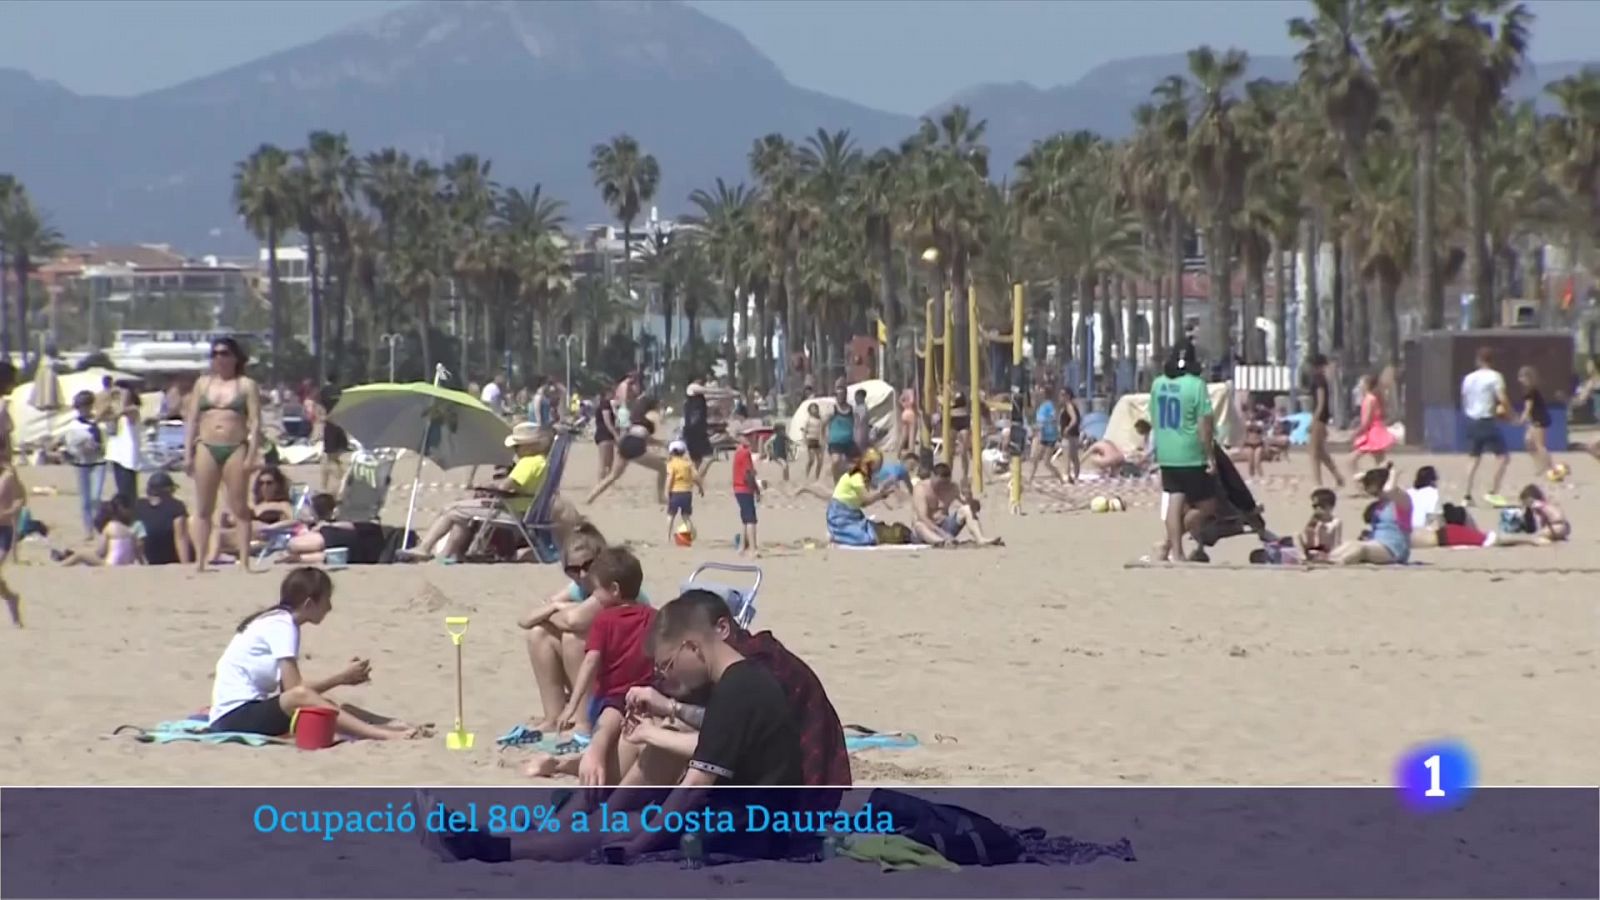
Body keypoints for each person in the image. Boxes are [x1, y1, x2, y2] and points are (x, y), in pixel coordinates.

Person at [422, 590, 807, 865]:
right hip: (748, 817)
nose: (668, 676)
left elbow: (695, 785)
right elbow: (718, 738)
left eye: (668, 665)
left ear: (693, 646)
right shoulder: (744, 680)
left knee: (616, 829)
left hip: (748, 829)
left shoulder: (737, 689)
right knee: (622, 816)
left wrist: (641, 842)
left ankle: (493, 850)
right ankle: (501, 842)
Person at [207, 567, 424, 739]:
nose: (329, 607)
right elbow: (296, 692)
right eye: (326, 600)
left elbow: (289, 690)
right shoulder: (282, 625)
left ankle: (388, 723)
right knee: (309, 699)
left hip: (240, 713)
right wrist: (341, 677)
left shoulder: (277, 620)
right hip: (233, 718)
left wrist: (341, 680)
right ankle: (381, 734)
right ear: (310, 604)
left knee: (325, 702)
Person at [522, 547, 655, 784]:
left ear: (613, 590)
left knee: (605, 741)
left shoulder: (604, 620)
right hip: (642, 701)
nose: (593, 596)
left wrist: (572, 705)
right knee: (618, 755)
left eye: (596, 591)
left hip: (608, 700)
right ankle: (565, 764)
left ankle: (560, 764)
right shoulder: (653, 616)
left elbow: (591, 663)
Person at [406, 423, 552, 561]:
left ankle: (425, 548)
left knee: (452, 510)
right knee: (461, 512)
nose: (515, 450)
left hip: (513, 511)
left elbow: (505, 487)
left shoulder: (528, 463)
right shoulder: (542, 462)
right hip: (525, 508)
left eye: (517, 446)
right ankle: (448, 553)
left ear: (530, 447)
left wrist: (487, 485)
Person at [184, 336, 262, 571]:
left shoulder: (246, 385)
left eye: (225, 353)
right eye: (215, 354)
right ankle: (200, 560)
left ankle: (245, 561)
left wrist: (252, 455)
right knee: (204, 507)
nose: (219, 358)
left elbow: (256, 422)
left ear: (235, 357)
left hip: (235, 446)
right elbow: (192, 419)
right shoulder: (203, 384)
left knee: (239, 506)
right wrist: (187, 452)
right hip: (206, 445)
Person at [1150, 343, 1215, 562]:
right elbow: (1204, 424)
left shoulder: (1158, 384)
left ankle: (1175, 552)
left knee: (1174, 501)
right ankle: (1170, 544)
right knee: (1207, 504)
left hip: (1166, 453)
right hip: (1190, 453)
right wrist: (1210, 455)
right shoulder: (1196, 385)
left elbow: (1154, 417)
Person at [585, 397, 669, 505]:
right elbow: (648, 435)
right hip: (636, 446)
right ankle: (661, 498)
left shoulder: (637, 418)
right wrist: (662, 417)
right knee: (662, 468)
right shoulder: (652, 416)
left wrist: (661, 443)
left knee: (613, 476)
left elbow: (643, 436)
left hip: (625, 443)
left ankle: (590, 497)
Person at [1327, 466, 1411, 565]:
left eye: (1377, 492)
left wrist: (1393, 473)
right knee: (1350, 544)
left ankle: (1340, 561)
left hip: (1394, 548)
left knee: (1361, 548)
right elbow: (1358, 481)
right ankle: (1327, 558)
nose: (1376, 495)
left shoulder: (1402, 501)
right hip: (1377, 544)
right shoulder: (1381, 504)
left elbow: (1389, 490)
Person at [1461, 346, 1511, 505]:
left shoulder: (1468, 378)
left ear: (1478, 360)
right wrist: (1511, 414)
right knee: (1503, 457)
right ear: (1492, 360)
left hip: (1471, 419)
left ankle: (1466, 496)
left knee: (1473, 458)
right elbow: (1502, 398)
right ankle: (1493, 492)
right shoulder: (1495, 377)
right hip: (1487, 419)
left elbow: (1464, 399)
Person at [283, 493, 390, 564]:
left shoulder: (332, 528)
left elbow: (294, 544)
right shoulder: (363, 520)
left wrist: (326, 525)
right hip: (366, 551)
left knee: (294, 545)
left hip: (364, 543)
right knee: (334, 553)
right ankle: (299, 558)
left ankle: (299, 557)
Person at [910, 462, 1001, 546]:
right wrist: (943, 534)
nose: (942, 487)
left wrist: (969, 497)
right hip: (925, 531)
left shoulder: (952, 487)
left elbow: (975, 508)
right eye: (940, 483)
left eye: (945, 483)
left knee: (966, 509)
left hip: (945, 526)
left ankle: (980, 538)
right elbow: (923, 517)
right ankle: (941, 542)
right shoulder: (921, 489)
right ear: (932, 476)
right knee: (919, 525)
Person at [64, 390, 107, 540]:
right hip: (82, 463)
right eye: (82, 406)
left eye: (87, 405)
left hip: (99, 461)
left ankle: (99, 526)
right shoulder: (73, 425)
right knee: (85, 499)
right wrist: (81, 448)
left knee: (96, 496)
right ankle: (88, 529)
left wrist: (98, 446)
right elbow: (70, 446)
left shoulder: (98, 423)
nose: (85, 409)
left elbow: (104, 441)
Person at [825, 448, 891, 546]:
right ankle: (835, 535)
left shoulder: (862, 476)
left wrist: (881, 495)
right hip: (840, 514)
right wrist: (880, 494)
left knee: (873, 533)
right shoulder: (856, 476)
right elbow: (866, 499)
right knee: (866, 538)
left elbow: (863, 504)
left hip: (852, 513)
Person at [53, 497, 140, 566]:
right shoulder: (130, 530)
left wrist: (84, 554)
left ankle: (61, 566)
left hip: (111, 565)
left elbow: (100, 552)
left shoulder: (110, 527)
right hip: (127, 565)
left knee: (80, 555)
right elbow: (136, 552)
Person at [134, 472, 192, 566]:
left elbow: (137, 536)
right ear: (169, 490)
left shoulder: (140, 506)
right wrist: (185, 564)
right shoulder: (176, 506)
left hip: (147, 558)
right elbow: (181, 537)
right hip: (172, 558)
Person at [1347, 373, 1396, 478]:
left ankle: (1361, 480)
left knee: (1352, 460)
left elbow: (1366, 422)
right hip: (1375, 431)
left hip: (1373, 433)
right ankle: (1387, 477)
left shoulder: (1369, 399)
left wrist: (1356, 433)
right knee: (1380, 461)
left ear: (1367, 385)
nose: (1359, 386)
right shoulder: (1372, 398)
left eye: (1361, 383)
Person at [1307, 355, 1344, 489]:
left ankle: (1318, 482)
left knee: (1313, 452)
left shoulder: (1319, 380)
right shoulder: (1322, 380)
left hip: (1320, 417)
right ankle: (1338, 476)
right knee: (1320, 451)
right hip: (1322, 416)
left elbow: (1321, 402)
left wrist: (1314, 419)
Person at [1516, 366, 1557, 479]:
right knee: (1528, 442)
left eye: (1522, 377)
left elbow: (1528, 409)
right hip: (1534, 420)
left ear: (1527, 378)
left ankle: (1552, 468)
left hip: (1539, 420)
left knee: (1540, 445)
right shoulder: (1528, 391)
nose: (1520, 379)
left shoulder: (1531, 392)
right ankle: (1540, 465)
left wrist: (1521, 420)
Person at [0, 432, 24, 625]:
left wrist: (9, 512)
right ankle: (10, 598)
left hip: (3, 530)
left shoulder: (9, 474)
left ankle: (11, 598)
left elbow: (20, 498)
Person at [104, 385, 142, 505]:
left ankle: (132, 515)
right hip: (116, 455)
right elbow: (99, 417)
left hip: (128, 457)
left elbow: (123, 411)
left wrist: (123, 395)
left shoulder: (133, 410)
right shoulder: (114, 410)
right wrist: (109, 398)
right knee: (122, 490)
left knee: (128, 492)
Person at [732, 431, 761, 556]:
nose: (751, 439)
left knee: (745, 519)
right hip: (744, 489)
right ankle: (753, 549)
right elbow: (748, 474)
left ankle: (742, 547)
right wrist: (756, 489)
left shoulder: (738, 452)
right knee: (751, 520)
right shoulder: (744, 453)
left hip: (738, 489)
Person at [1029, 385, 1066, 484]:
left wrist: (1044, 424)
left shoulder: (1049, 405)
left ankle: (1060, 478)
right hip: (1043, 435)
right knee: (1036, 459)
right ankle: (1030, 478)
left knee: (1046, 462)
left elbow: (1054, 419)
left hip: (1049, 436)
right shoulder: (1042, 406)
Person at [664, 440, 699, 544]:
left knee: (671, 515)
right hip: (687, 492)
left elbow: (670, 478)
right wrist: (700, 487)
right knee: (686, 516)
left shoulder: (671, 464)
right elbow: (696, 476)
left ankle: (668, 537)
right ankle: (691, 532)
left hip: (675, 492)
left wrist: (666, 491)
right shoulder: (688, 464)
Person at [317, 386, 350, 493]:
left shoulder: (324, 391)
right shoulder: (339, 391)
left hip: (330, 424)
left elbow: (319, 409)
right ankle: (342, 480)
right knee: (334, 458)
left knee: (329, 458)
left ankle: (326, 486)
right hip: (338, 423)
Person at [1298, 488, 1342, 562]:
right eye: (1314, 506)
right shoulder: (1314, 521)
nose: (1317, 509)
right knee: (1296, 536)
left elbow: (1337, 543)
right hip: (1313, 550)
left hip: (1327, 552)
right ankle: (1304, 558)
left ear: (1331, 507)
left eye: (1321, 506)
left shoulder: (1336, 522)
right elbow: (1308, 539)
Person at [683, 376, 715, 478]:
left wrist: (727, 395)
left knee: (697, 460)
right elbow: (710, 391)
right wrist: (727, 392)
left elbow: (712, 396)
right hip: (695, 430)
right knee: (709, 456)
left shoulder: (698, 396)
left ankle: (691, 481)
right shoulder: (692, 387)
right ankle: (698, 479)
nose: (702, 382)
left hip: (695, 429)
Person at [824, 385, 856, 479]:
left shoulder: (851, 409)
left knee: (847, 464)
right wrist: (824, 437)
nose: (841, 397)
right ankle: (835, 480)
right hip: (835, 441)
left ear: (846, 395)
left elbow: (854, 423)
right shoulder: (832, 409)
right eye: (838, 395)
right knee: (836, 461)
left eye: (842, 394)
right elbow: (823, 423)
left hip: (848, 441)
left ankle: (843, 482)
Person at [593, 388, 618, 483]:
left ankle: (606, 482)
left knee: (609, 462)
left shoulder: (605, 404)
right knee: (604, 462)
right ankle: (601, 482)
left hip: (605, 435)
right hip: (604, 434)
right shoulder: (605, 404)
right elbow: (607, 422)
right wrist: (616, 435)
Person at [1406, 465, 1442, 531]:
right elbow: (1434, 517)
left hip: (1406, 531)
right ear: (1432, 480)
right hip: (1423, 532)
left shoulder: (1408, 492)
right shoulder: (1432, 493)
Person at [1060, 387, 1083, 484]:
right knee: (1074, 457)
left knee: (1067, 456)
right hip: (1074, 434)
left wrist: (1067, 428)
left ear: (1068, 396)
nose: (1061, 397)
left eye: (1063, 395)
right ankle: (1075, 476)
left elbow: (1074, 419)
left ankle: (1067, 475)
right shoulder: (1072, 405)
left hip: (1069, 435)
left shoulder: (1069, 406)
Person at [802, 402, 825, 482]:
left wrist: (824, 440)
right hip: (810, 440)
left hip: (818, 441)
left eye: (816, 408)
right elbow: (804, 431)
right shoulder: (808, 419)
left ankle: (817, 478)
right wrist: (804, 440)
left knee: (820, 460)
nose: (815, 410)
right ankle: (806, 476)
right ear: (810, 410)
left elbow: (823, 430)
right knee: (811, 460)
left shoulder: (820, 419)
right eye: (813, 408)